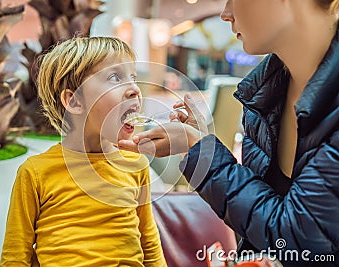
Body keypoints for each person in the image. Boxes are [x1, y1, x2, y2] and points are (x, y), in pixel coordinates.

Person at [118, 0, 339, 266]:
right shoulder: (265, 95)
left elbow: (302, 246)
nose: (225, 13)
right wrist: (200, 144)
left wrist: (201, 149)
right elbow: (262, 229)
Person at [0, 36, 166, 266]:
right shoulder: (35, 172)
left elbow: (150, 246)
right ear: (74, 101)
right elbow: (15, 256)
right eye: (115, 77)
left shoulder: (135, 164)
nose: (134, 89)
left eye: (133, 78)